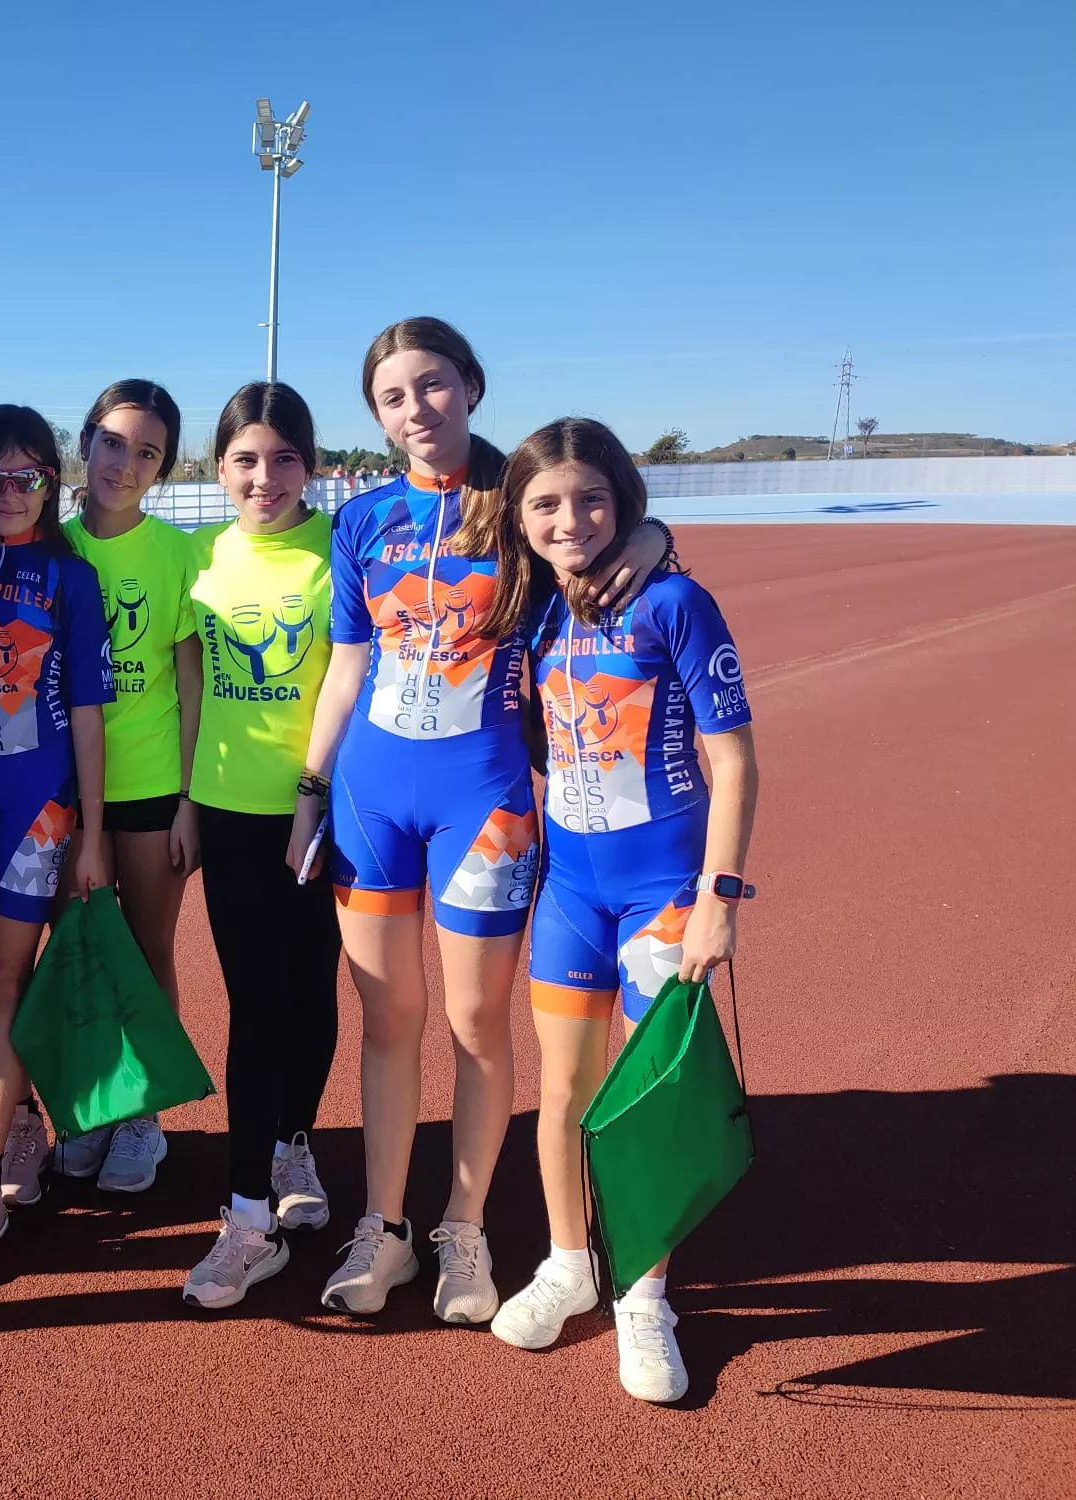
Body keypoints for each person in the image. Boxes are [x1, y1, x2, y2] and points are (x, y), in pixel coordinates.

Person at [292, 318, 670, 1323]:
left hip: (485, 806)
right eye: (392, 397)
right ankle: (384, 1230)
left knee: (469, 1024)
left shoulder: (515, 510)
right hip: (372, 801)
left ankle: (463, 1228)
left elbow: (591, 530)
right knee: (386, 1020)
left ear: (470, 386)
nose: (416, 410)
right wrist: (309, 786)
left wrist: (650, 532)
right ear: (375, 413)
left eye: (432, 386)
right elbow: (344, 666)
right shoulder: (360, 519)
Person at [475, 417, 758, 1403]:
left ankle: (642, 1294)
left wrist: (717, 899)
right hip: (568, 894)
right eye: (545, 503)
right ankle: (567, 1262)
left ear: (623, 501)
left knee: (636, 1108)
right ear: (518, 514)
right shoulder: (528, 610)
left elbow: (733, 763)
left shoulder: (673, 603)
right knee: (561, 1096)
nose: (569, 520)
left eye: (591, 499)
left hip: (662, 899)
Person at [0, 405, 114, 1278]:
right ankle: (27, 1122)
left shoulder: (71, 581)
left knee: (5, 980)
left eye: (27, 477)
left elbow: (85, 713)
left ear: (53, 481)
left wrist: (94, 834)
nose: (10, 493)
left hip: (40, 806)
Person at [179, 382, 342, 1311]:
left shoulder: (342, 548)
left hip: (326, 813)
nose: (265, 477)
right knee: (256, 1001)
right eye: (246, 458)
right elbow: (192, 675)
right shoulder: (200, 555)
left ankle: (295, 1142)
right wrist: (190, 803)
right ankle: (249, 1220)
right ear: (218, 466)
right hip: (233, 814)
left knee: (314, 988)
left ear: (309, 465)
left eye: (284, 458)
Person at [52, 379, 199, 1193]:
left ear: (164, 468)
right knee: (70, 953)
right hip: (57, 787)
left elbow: (191, 683)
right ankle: (90, 1103)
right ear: (86, 443)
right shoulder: (51, 546)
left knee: (145, 952)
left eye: (147, 452)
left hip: (148, 786)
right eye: (113, 442)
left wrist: (186, 803)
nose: (125, 463)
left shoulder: (181, 554)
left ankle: (143, 1115)